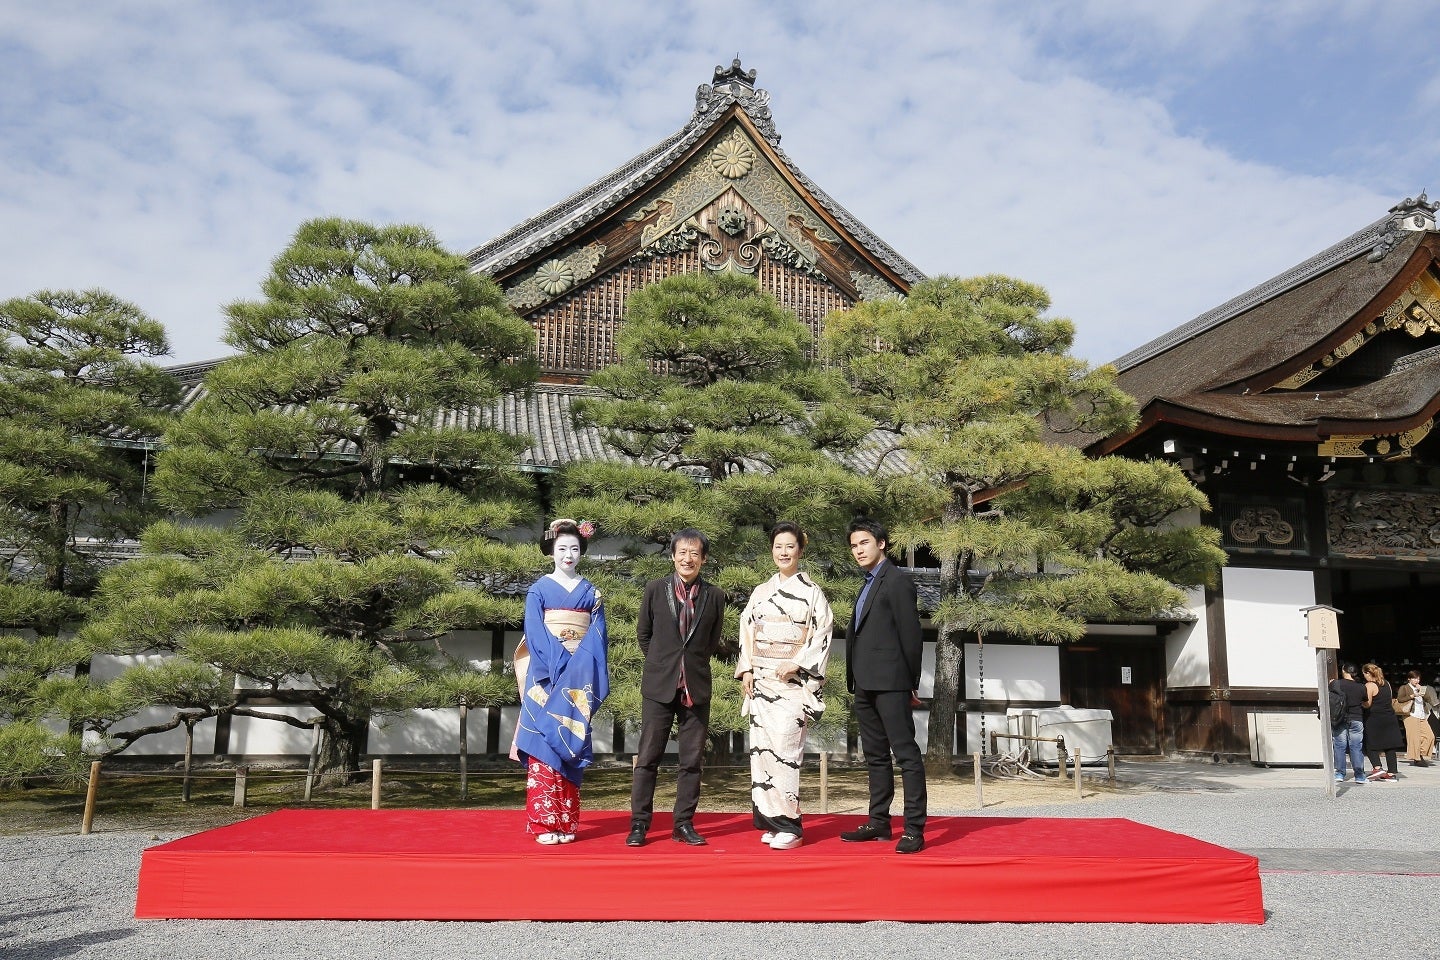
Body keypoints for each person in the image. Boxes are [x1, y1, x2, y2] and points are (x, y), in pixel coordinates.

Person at [736, 521, 834, 850]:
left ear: (800, 550)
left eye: (790, 546)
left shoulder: (812, 593)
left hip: (792, 682)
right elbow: (747, 629)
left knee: (786, 750)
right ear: (772, 550)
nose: (783, 552)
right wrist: (746, 668)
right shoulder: (761, 592)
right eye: (778, 546)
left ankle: (790, 824)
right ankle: (772, 820)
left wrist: (801, 662)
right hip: (762, 681)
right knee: (763, 752)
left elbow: (822, 632)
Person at [627, 528, 727, 847]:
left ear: (704, 559)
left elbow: (711, 642)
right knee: (648, 758)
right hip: (659, 686)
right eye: (682, 552)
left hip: (695, 687)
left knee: (691, 761)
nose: (688, 558)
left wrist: (688, 666)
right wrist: (664, 665)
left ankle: (683, 823)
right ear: (672, 556)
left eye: (694, 553)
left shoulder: (715, 596)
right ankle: (640, 823)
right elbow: (644, 635)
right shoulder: (655, 589)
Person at [512, 519, 609, 844]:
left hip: (577, 679)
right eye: (562, 548)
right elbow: (535, 632)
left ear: (581, 552)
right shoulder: (539, 589)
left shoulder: (591, 592)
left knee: (570, 741)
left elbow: (597, 637)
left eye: (574, 549)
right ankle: (544, 823)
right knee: (544, 747)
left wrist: (577, 669)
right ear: (551, 551)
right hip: (545, 678)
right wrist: (557, 666)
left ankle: (566, 822)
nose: (568, 554)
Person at [840, 517, 927, 854]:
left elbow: (911, 636)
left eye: (864, 542)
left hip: (892, 682)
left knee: (906, 755)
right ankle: (878, 822)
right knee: (875, 756)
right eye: (853, 545)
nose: (858, 549)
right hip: (864, 683)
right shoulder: (867, 583)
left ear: (881, 543)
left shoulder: (897, 582)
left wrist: (911, 683)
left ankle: (914, 828)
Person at [1360, 663, 1402, 782]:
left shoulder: (1370, 685)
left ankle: (1377, 768)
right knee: (1390, 746)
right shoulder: (1386, 683)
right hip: (1389, 716)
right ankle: (1392, 772)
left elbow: (1367, 703)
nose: (1364, 677)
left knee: (1370, 743)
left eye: (1364, 674)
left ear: (1368, 673)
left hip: (1375, 717)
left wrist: (1360, 703)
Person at [1330, 661, 1369, 785]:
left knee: (1339, 745)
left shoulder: (1336, 684)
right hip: (1356, 718)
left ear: (1344, 670)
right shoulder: (1362, 687)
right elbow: (1365, 702)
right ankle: (1359, 775)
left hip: (1340, 718)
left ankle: (1340, 773)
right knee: (1356, 746)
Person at [1396, 670, 1438, 767]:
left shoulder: (1420, 687)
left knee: (1430, 736)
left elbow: (1428, 699)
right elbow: (1400, 699)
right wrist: (1412, 695)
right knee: (1414, 738)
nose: (1417, 680)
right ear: (1409, 679)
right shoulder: (1405, 687)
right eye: (1414, 678)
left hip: (1422, 715)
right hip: (1411, 715)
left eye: (1418, 678)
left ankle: (1419, 754)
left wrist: (1423, 690)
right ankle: (1417, 758)